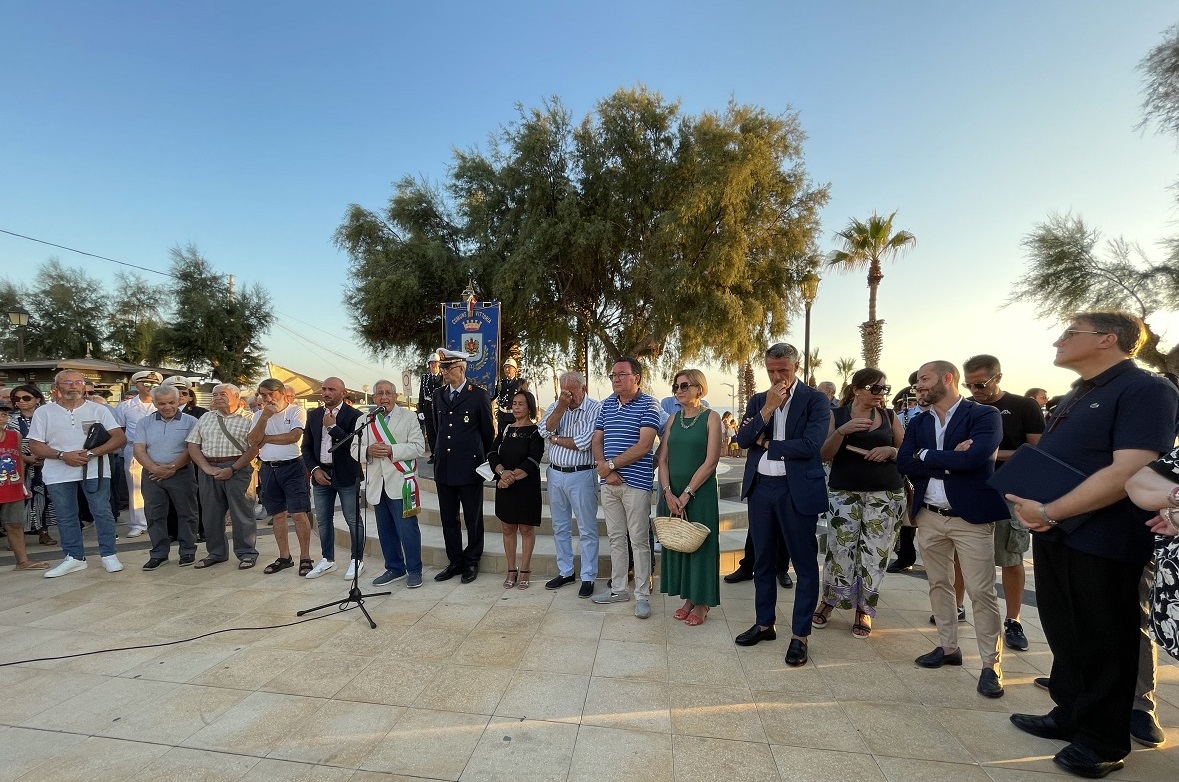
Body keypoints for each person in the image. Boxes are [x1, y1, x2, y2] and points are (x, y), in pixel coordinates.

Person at [1005, 312, 1177, 778]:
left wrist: (1052, 510)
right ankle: (1070, 715)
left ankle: (1103, 740)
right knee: (1064, 628)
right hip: (1056, 531)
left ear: (1108, 339)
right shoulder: (1080, 393)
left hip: (1105, 538)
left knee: (1106, 638)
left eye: (1069, 333)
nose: (1058, 340)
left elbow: (1129, 472)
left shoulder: (1147, 390)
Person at [897, 360, 1006, 699]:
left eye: (924, 380)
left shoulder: (984, 416)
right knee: (938, 584)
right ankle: (948, 648)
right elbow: (904, 461)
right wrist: (947, 457)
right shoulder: (918, 420)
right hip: (928, 516)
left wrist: (928, 455)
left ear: (948, 378)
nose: (918, 387)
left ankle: (991, 665)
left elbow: (975, 460)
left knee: (981, 592)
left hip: (970, 518)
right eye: (917, 382)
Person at [732, 342, 830, 666]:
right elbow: (743, 440)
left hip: (795, 489)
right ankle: (764, 624)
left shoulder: (815, 400)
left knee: (803, 564)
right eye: (771, 371)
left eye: (783, 371)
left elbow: (811, 445)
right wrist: (767, 410)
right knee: (763, 560)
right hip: (761, 488)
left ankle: (800, 636)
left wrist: (768, 442)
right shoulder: (760, 400)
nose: (777, 377)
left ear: (796, 368)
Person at [958, 354, 1045, 652]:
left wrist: (987, 453)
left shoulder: (1024, 406)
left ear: (998, 377)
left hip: (1010, 493)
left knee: (1010, 557)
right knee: (959, 552)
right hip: (969, 489)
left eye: (980, 384)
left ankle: (1014, 619)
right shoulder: (965, 408)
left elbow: (1037, 450)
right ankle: (956, 606)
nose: (975, 391)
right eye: (968, 384)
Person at [814, 368, 905, 639]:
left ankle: (863, 609)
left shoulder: (889, 416)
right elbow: (824, 454)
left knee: (875, 554)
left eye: (884, 389)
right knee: (839, 549)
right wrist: (842, 432)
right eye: (875, 389)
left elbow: (907, 452)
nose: (881, 394)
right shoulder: (837, 415)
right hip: (845, 492)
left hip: (885, 494)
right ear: (856, 390)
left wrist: (891, 451)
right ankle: (829, 600)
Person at [27, 370, 128, 577]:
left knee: (102, 511)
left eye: (78, 382)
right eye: (67, 382)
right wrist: (63, 455)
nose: (73, 386)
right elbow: (35, 445)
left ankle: (108, 554)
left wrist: (91, 453)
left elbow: (119, 438)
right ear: (56, 387)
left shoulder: (98, 409)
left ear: (83, 386)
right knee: (66, 515)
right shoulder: (44, 412)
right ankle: (74, 557)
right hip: (58, 471)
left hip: (94, 469)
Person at [591, 357, 662, 619]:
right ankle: (619, 588)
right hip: (609, 484)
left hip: (636, 484)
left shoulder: (649, 404)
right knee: (616, 538)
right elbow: (597, 439)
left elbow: (645, 445)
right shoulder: (606, 405)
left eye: (621, 374)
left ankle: (642, 595)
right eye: (613, 375)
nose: (615, 379)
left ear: (637, 378)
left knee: (639, 541)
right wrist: (604, 468)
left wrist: (610, 465)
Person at [656, 369, 723, 625]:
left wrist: (687, 493)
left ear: (699, 389)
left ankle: (703, 601)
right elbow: (662, 459)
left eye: (685, 386)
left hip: (700, 492)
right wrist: (667, 492)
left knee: (702, 545)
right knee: (680, 544)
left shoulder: (711, 418)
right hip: (671, 492)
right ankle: (688, 598)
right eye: (676, 387)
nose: (679, 391)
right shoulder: (673, 419)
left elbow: (711, 461)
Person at [354, 380, 427, 588]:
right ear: (374, 397)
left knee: (408, 529)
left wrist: (392, 450)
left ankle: (414, 570)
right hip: (377, 483)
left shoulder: (409, 417)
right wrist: (367, 451)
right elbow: (353, 448)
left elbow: (418, 447)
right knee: (385, 530)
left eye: (388, 393)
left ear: (395, 396)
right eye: (379, 393)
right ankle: (394, 568)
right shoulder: (364, 420)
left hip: (401, 481)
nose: (384, 397)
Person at [431, 348, 495, 583]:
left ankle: (472, 561)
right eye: (443, 368)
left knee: (472, 518)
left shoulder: (478, 395)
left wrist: (487, 460)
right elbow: (436, 430)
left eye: (447, 368)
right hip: (444, 468)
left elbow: (488, 432)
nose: (443, 372)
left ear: (460, 368)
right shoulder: (439, 395)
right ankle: (455, 561)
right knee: (448, 518)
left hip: (469, 468)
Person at [536, 371, 601, 597]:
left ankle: (588, 576)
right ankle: (566, 571)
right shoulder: (559, 405)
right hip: (555, 474)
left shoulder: (595, 408)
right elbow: (543, 429)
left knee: (586, 528)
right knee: (560, 526)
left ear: (583, 389)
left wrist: (555, 439)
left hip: (582, 475)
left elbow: (583, 443)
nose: (568, 395)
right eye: (564, 391)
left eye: (571, 391)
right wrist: (561, 408)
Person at [186, 383, 259, 569]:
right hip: (209, 468)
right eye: (215, 394)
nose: (218, 397)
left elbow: (254, 448)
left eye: (223, 394)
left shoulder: (250, 419)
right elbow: (193, 445)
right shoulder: (206, 418)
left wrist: (233, 469)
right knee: (211, 514)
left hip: (238, 468)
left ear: (236, 397)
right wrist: (205, 468)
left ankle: (247, 553)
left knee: (242, 513)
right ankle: (216, 552)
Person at [247, 378, 315, 576]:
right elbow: (252, 441)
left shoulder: (295, 411)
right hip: (268, 469)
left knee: (299, 514)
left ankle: (305, 557)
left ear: (282, 392)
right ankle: (284, 557)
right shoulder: (259, 415)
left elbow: (293, 437)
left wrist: (265, 439)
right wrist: (263, 419)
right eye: (263, 395)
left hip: (292, 467)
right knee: (277, 514)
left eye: (271, 394)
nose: (268, 399)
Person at [302, 376, 363, 580]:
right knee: (323, 520)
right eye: (324, 389)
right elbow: (306, 447)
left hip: (346, 474)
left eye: (331, 389)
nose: (326, 393)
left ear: (343, 393)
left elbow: (355, 447)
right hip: (321, 474)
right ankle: (328, 559)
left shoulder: (355, 415)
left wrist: (332, 428)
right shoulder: (313, 415)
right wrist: (314, 469)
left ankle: (357, 560)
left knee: (352, 519)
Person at [135, 384, 199, 569]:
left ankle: (187, 551)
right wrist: (154, 468)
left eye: (171, 402)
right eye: (162, 403)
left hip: (181, 474)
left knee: (187, 513)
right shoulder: (144, 423)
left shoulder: (190, 422)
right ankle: (159, 553)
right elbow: (139, 449)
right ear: (154, 403)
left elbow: (192, 449)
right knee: (154, 515)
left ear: (179, 400)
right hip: (152, 475)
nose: (167, 407)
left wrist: (172, 467)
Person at [488, 390, 544, 589]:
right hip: (505, 485)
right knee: (507, 527)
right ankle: (511, 569)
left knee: (526, 528)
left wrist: (510, 478)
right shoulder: (505, 429)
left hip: (526, 486)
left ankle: (525, 569)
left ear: (529, 406)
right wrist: (502, 473)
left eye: (521, 403)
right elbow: (493, 453)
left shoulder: (536, 431)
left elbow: (533, 459)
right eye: (514, 403)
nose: (516, 407)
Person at [1, 400, 47, 570]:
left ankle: (22, 561)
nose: (2, 417)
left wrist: (22, 484)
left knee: (14, 524)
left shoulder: (15, 436)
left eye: (4, 414)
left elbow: (18, 458)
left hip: (11, 485)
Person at [114, 370, 160, 537]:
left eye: (154, 384)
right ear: (137, 385)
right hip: (134, 448)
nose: (150, 387)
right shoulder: (125, 406)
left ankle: (160, 521)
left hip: (159, 449)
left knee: (160, 485)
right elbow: (120, 429)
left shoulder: (161, 403)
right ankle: (138, 523)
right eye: (146, 383)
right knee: (135, 486)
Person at [9, 384, 56, 546]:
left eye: (26, 398)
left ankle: (44, 532)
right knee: (20, 500)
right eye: (17, 399)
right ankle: (17, 537)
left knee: (45, 498)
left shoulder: (48, 416)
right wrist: (24, 457)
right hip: (20, 466)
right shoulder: (10, 420)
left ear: (37, 399)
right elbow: (7, 444)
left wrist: (48, 453)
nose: (21, 401)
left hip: (48, 463)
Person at [417, 354, 443, 463]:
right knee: (431, 434)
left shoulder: (443, 377)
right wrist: (420, 410)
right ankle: (433, 454)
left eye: (436, 362)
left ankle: (441, 454)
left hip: (440, 408)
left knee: (440, 432)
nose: (434, 365)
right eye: (432, 363)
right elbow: (421, 394)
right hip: (428, 408)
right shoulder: (425, 377)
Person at [494, 357, 525, 431]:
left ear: (515, 369)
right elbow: (494, 395)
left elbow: (527, 399)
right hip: (503, 416)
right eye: (505, 368)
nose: (507, 370)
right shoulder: (500, 383)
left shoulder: (520, 383)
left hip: (515, 416)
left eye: (509, 368)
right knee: (501, 437)